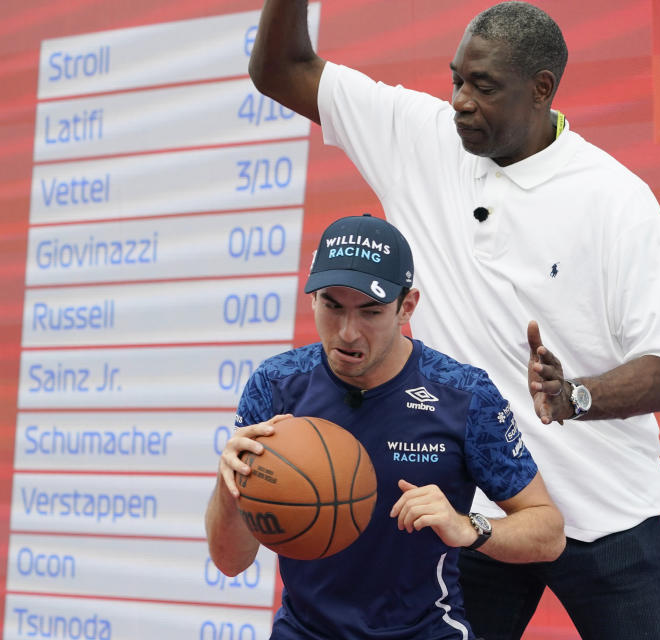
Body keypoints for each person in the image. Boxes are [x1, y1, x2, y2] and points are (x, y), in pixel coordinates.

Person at [247, 1, 660, 638]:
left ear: (542, 90)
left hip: (607, 513)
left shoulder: (616, 199)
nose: (459, 100)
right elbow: (280, 69)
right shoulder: (419, 136)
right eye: (456, 79)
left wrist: (575, 396)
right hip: (481, 516)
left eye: (483, 87)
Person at [205, 213, 565, 640]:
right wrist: (230, 489)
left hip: (427, 631)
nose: (348, 332)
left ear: (406, 307)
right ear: (313, 298)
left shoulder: (463, 394)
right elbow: (230, 562)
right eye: (332, 306)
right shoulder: (276, 385)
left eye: (371, 311)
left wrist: (469, 527)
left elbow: (549, 532)